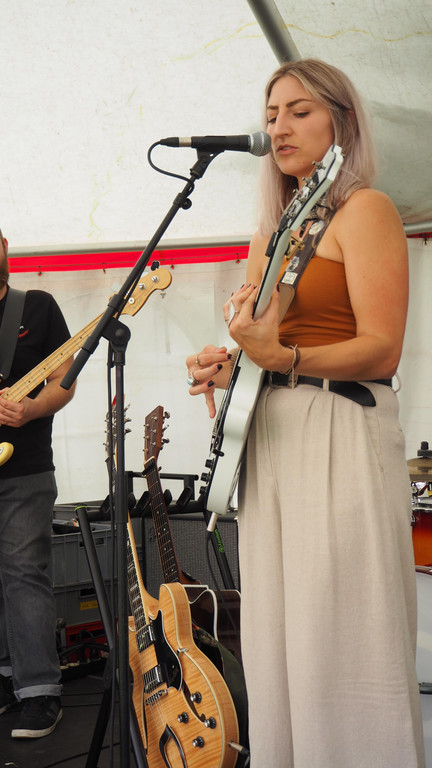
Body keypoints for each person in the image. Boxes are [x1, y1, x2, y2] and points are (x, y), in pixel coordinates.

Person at [186, 59, 425, 767]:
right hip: (273, 438)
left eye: (299, 111)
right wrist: (230, 367)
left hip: (340, 429)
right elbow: (267, 349)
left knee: (344, 629)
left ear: (340, 121)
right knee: (281, 635)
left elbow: (381, 348)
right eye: (271, 115)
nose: (279, 128)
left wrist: (282, 358)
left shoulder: (366, 210)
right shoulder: (269, 234)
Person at [0, 229, 76, 738]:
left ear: (4, 245)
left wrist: (30, 409)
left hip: (25, 468)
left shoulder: (38, 306)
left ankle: (40, 691)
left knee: (25, 572)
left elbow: (64, 381)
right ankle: (7, 678)